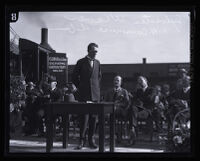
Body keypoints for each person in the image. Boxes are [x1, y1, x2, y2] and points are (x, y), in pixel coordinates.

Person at [72, 42, 101, 149]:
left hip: (95, 96)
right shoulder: (81, 62)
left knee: (94, 119)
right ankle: (81, 141)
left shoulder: (98, 63)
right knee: (84, 119)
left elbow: (98, 77)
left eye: (96, 51)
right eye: (94, 51)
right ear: (89, 50)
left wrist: (95, 89)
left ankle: (91, 140)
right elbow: (74, 77)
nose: (95, 53)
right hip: (84, 96)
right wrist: (81, 87)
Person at [104, 75, 136, 145]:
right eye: (115, 80)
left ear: (121, 82)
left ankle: (118, 135)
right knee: (108, 114)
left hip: (121, 110)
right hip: (110, 109)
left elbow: (127, 102)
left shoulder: (124, 91)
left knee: (113, 113)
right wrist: (111, 105)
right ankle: (114, 135)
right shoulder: (108, 91)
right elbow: (105, 101)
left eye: (118, 80)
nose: (116, 82)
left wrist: (119, 105)